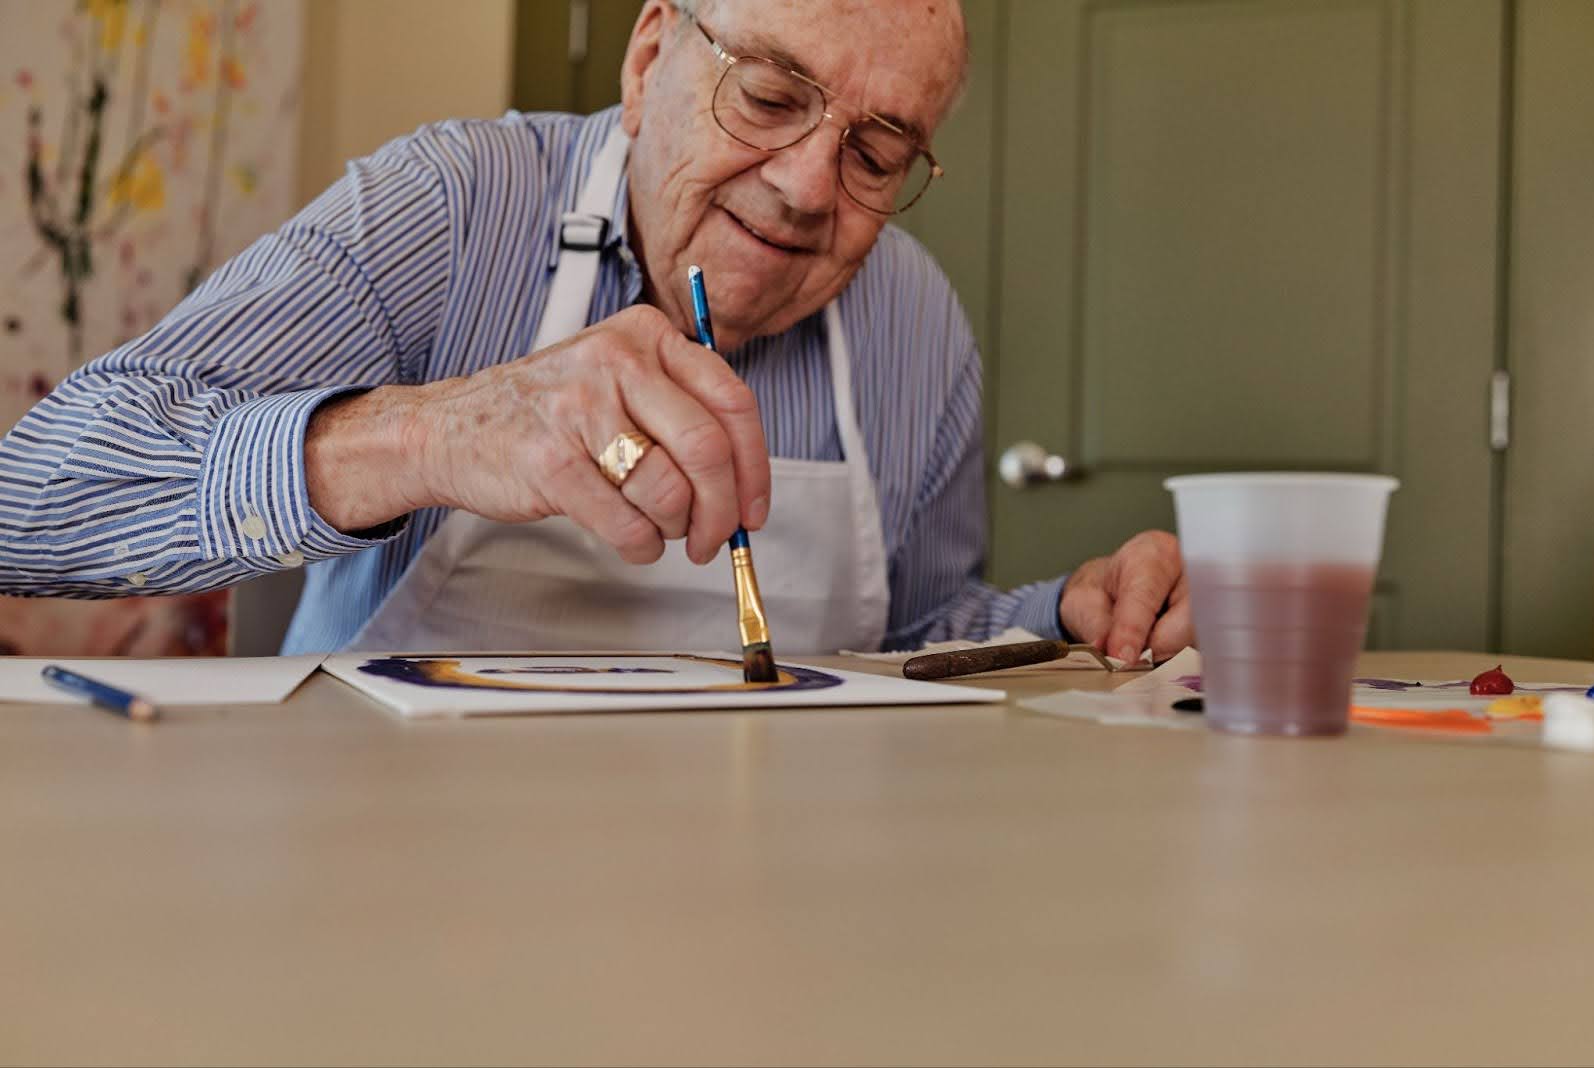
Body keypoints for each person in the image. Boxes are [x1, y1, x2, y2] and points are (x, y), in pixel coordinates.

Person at [0, 0, 1191, 660]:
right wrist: (423, 437)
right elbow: (29, 504)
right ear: (646, 59)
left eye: (877, 153)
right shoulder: (451, 211)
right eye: (770, 97)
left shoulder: (917, 321)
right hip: (383, 894)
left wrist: (1065, 613)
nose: (808, 188)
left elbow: (919, 631)